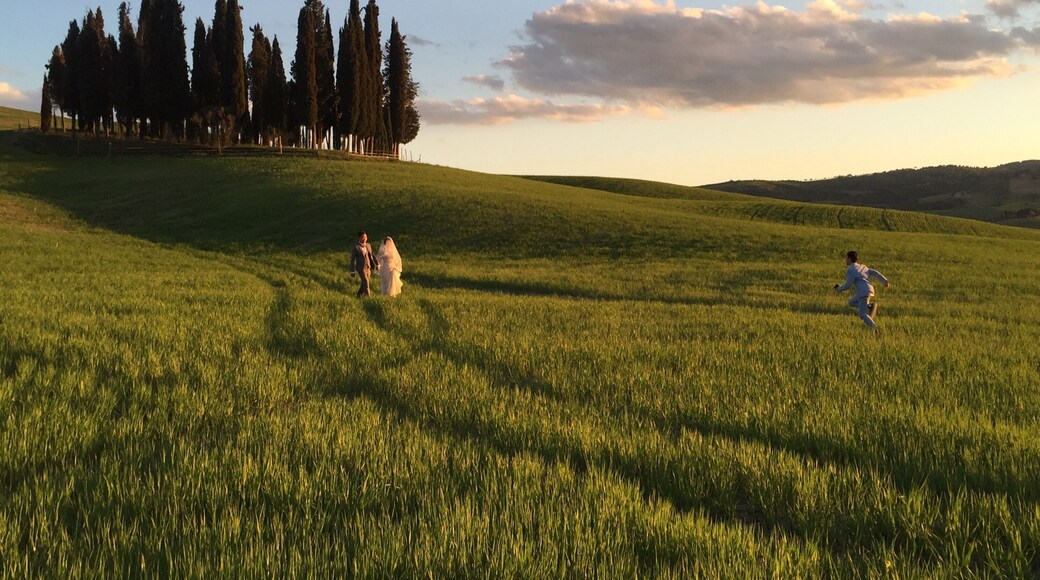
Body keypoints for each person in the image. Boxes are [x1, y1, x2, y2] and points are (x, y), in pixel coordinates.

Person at [834, 250, 890, 333]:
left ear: (849, 259)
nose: (845, 259)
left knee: (862, 314)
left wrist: (839, 289)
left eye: (846, 257)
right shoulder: (862, 267)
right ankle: (869, 307)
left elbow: (848, 285)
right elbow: (875, 273)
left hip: (863, 292)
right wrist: (885, 282)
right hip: (868, 290)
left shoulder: (851, 270)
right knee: (851, 302)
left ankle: (875, 330)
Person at [350, 231, 379, 298]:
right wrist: (352, 271)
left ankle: (358, 296)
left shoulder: (368, 245)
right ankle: (368, 298)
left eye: (365, 237)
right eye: (363, 237)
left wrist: (377, 263)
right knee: (366, 282)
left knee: (364, 283)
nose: (364, 239)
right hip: (361, 268)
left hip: (368, 267)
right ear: (359, 238)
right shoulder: (356, 247)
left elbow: (372, 254)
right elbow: (352, 260)